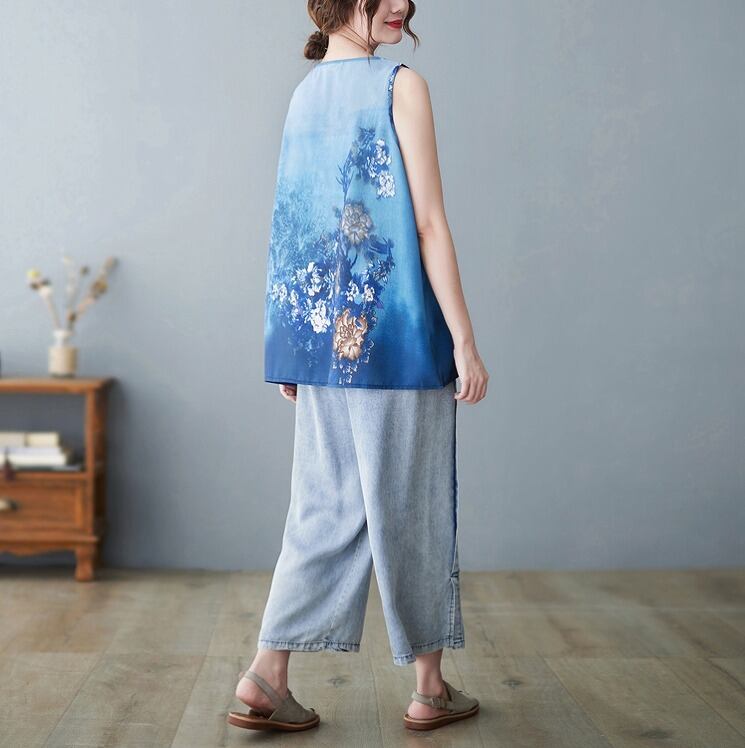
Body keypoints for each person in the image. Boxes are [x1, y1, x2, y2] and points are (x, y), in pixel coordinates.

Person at [228, 0, 488, 733]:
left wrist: (293, 345)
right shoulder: (400, 83)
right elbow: (427, 222)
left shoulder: (304, 94)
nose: (401, 4)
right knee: (410, 504)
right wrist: (464, 340)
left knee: (324, 506)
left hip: (322, 343)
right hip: (397, 338)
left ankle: (266, 674)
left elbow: (295, 225)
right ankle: (429, 688)